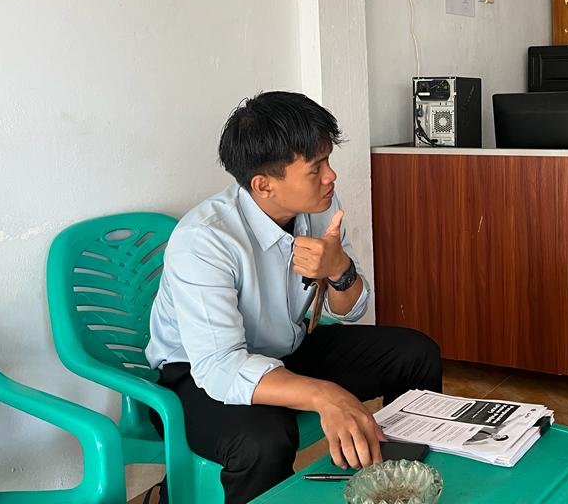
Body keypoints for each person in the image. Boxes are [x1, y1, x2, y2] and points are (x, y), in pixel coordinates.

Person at [145, 91, 442, 503]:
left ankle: (401, 480)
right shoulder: (204, 240)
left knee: (415, 354)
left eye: (328, 160)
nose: (331, 176)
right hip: (194, 373)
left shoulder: (320, 206)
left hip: (286, 348)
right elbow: (220, 368)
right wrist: (325, 394)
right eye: (316, 167)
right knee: (264, 441)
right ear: (263, 185)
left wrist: (339, 269)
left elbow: (350, 309)